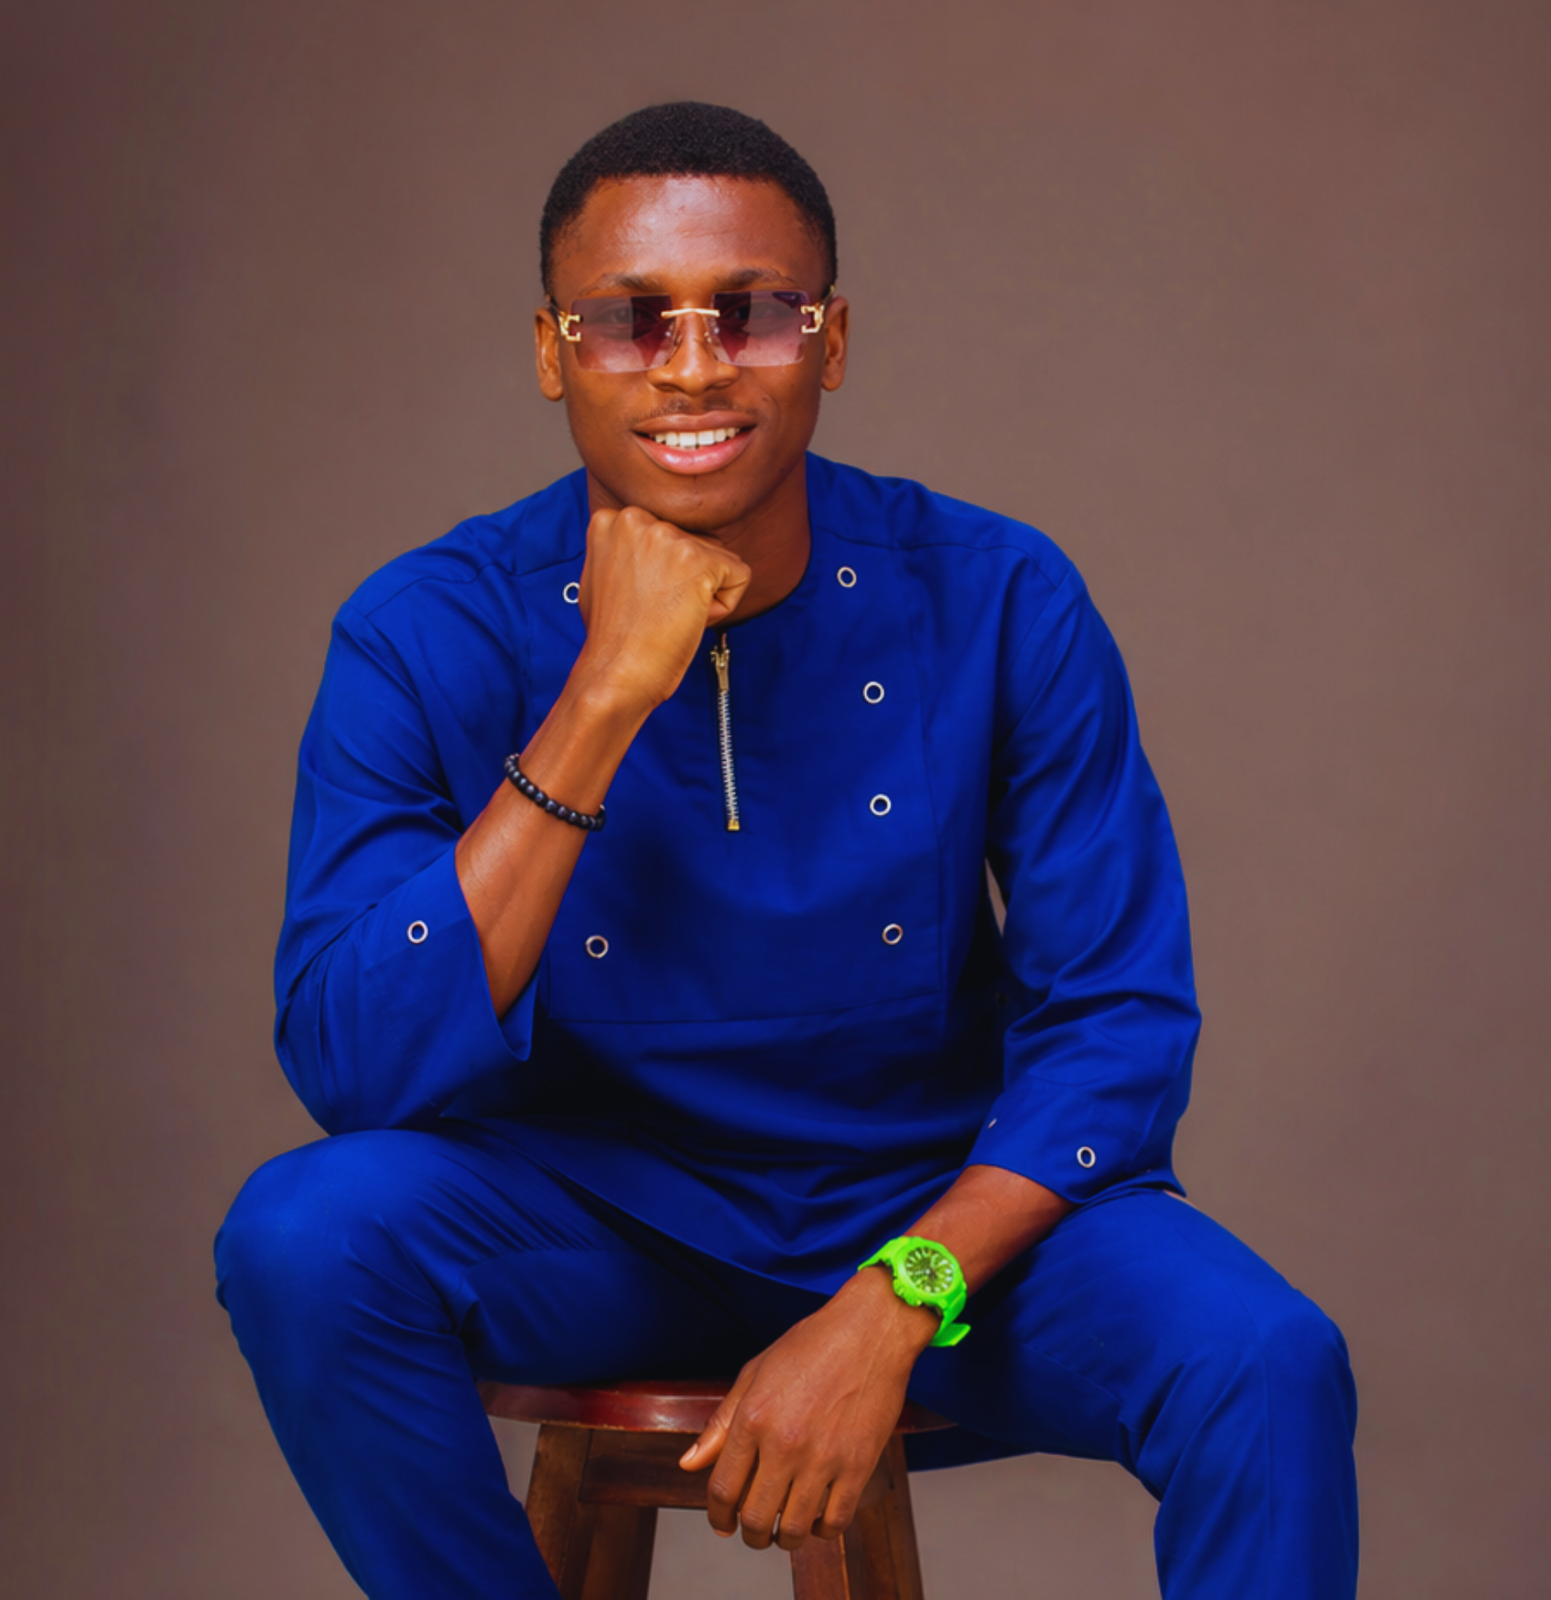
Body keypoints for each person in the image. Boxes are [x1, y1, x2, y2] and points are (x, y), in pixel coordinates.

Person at [215, 102, 1358, 1598]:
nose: (693, 366)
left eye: (752, 312)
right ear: (553, 351)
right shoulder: (424, 627)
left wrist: (894, 1303)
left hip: (941, 1226)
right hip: (595, 1228)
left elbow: (1117, 1025)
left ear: (832, 340)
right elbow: (354, 1067)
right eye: (631, 320)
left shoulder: (1000, 596)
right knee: (302, 1238)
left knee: (1265, 1360)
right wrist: (604, 694)